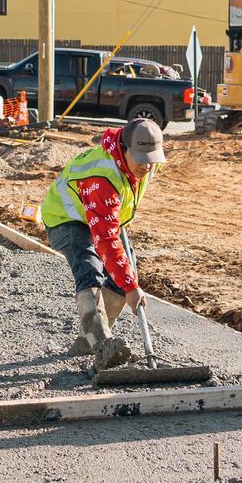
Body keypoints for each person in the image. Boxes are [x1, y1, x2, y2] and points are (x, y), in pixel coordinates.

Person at [39, 117, 166, 371]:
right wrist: (131, 287)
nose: (147, 166)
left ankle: (88, 340)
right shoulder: (102, 178)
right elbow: (105, 240)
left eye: (152, 158)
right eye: (141, 158)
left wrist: (127, 281)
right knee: (90, 268)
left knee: (124, 272)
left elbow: (114, 220)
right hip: (66, 219)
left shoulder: (147, 163)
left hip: (99, 215)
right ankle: (101, 345)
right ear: (125, 150)